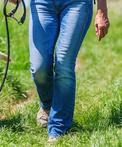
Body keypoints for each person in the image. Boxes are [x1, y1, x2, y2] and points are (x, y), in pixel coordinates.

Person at [9, 0, 109, 142]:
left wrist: (101, 10)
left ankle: (58, 129)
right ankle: (48, 105)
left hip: (77, 4)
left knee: (64, 65)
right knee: (39, 68)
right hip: (42, 4)